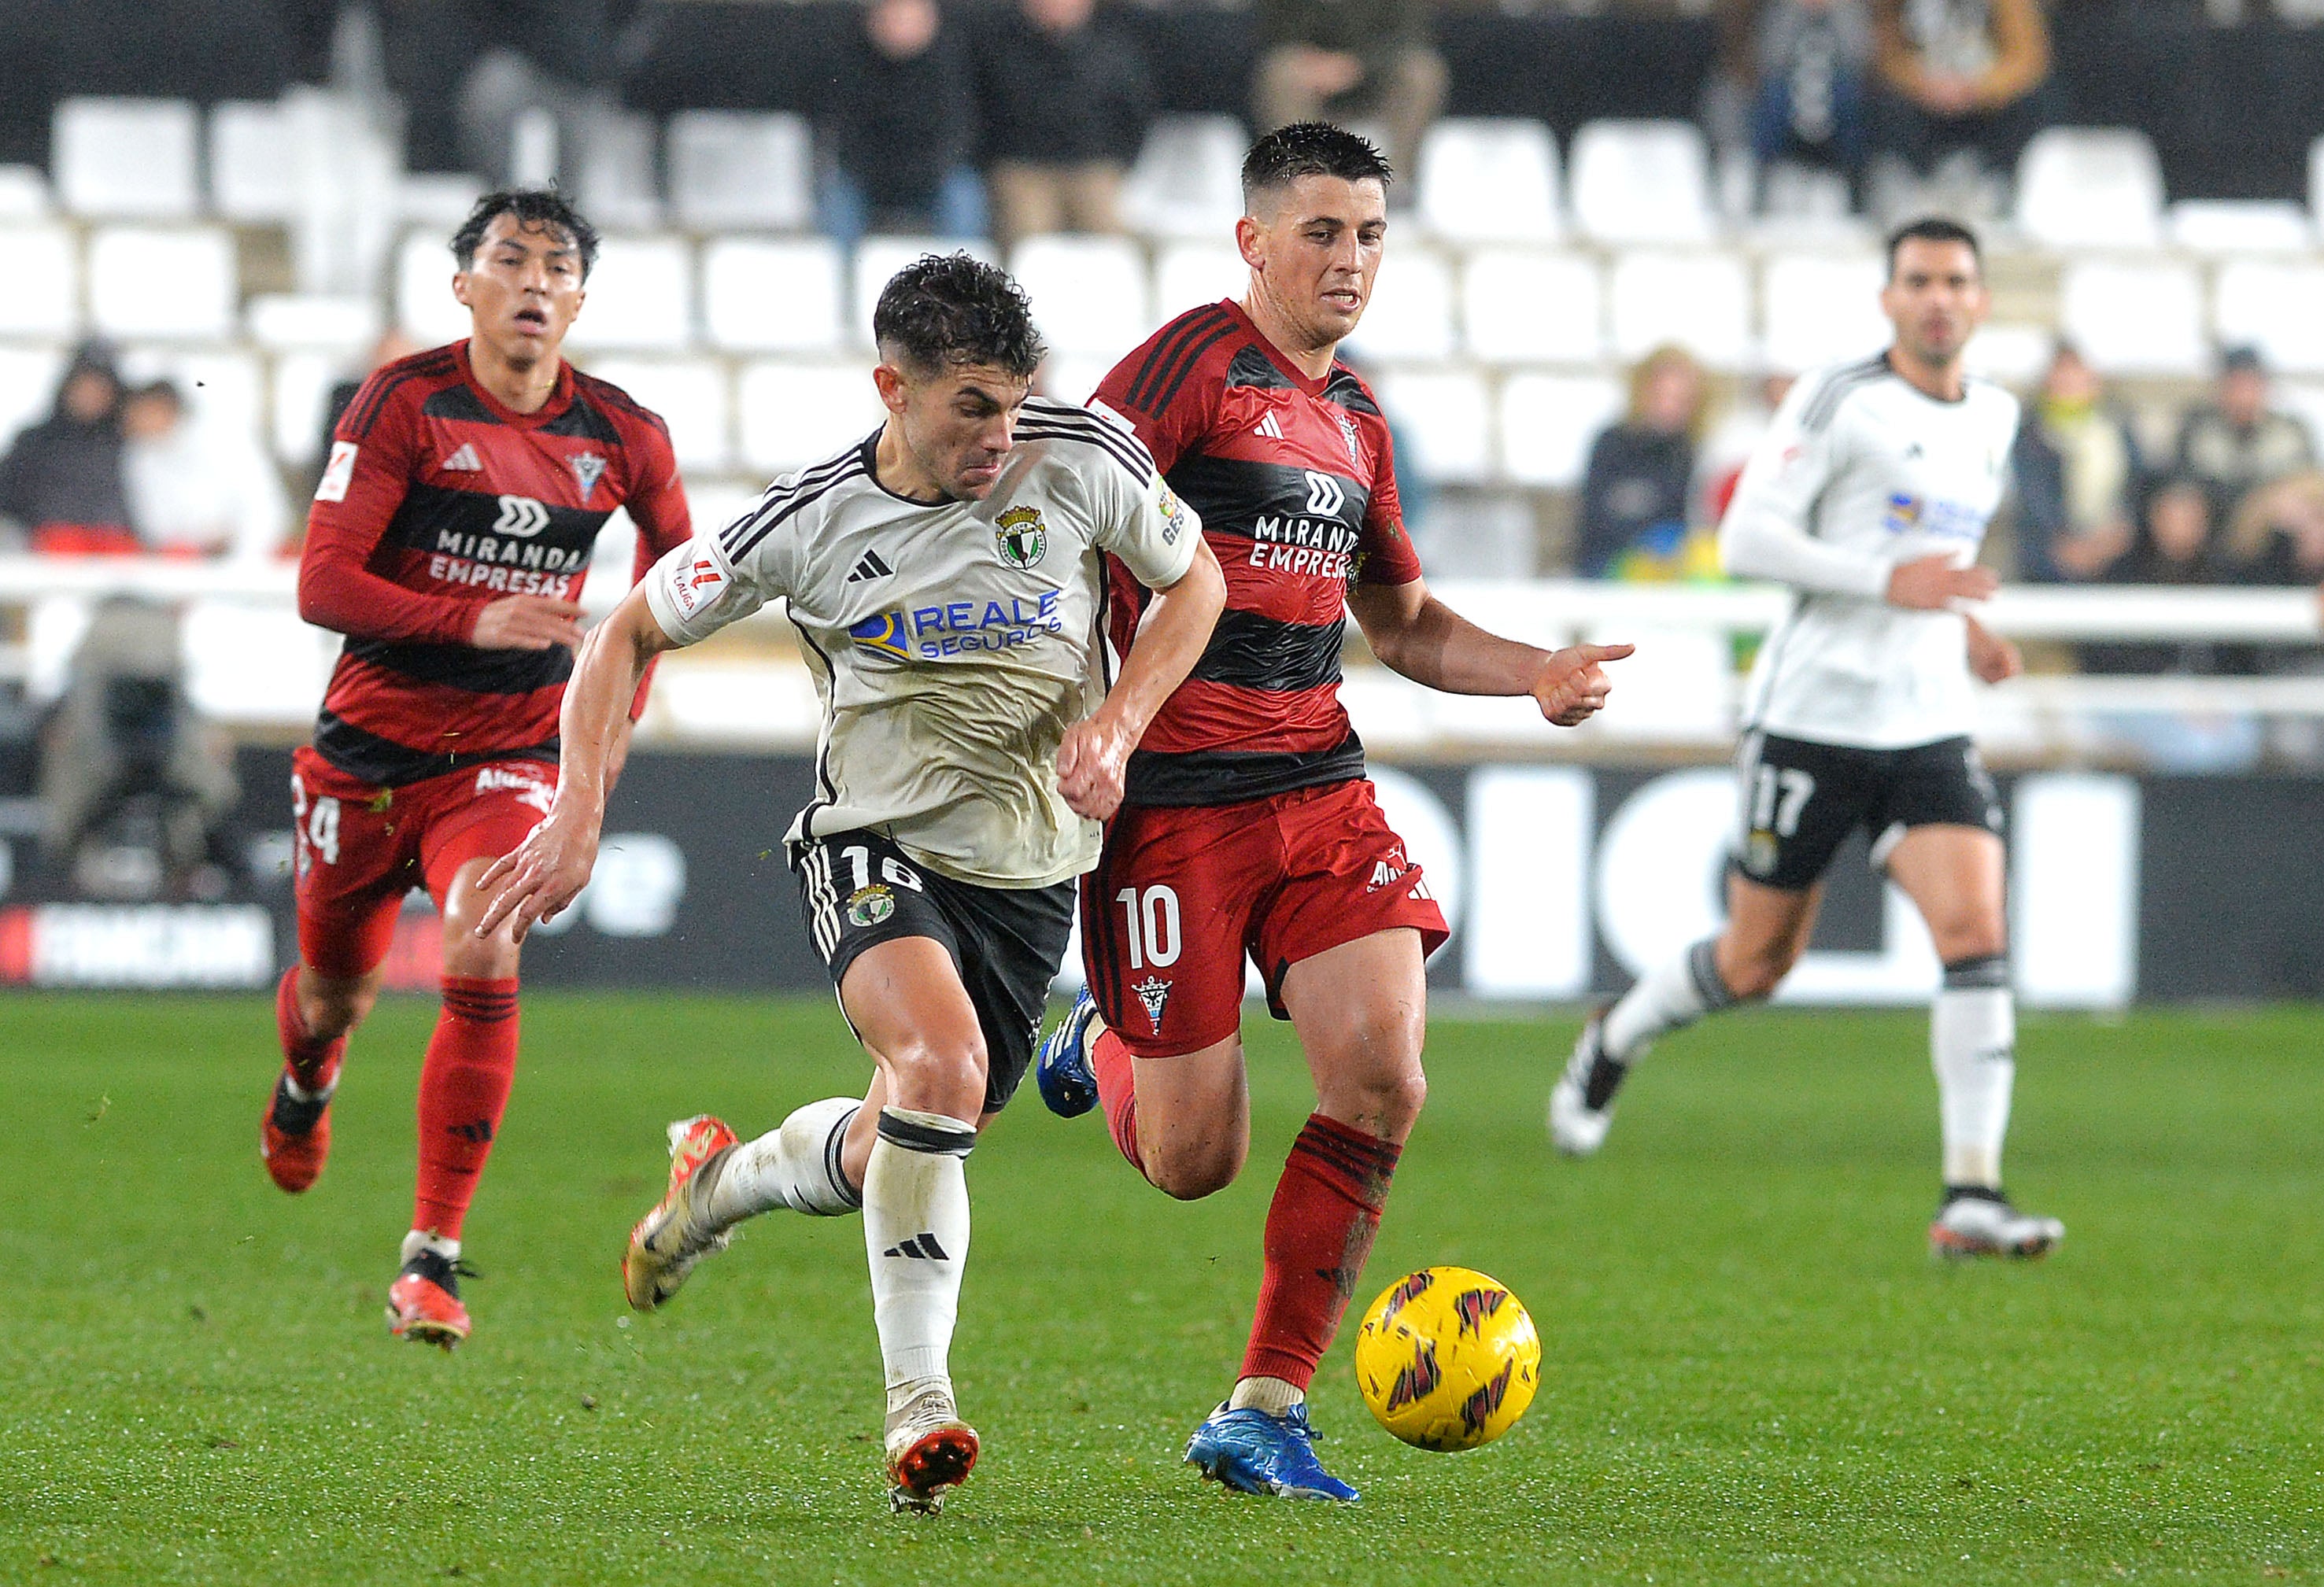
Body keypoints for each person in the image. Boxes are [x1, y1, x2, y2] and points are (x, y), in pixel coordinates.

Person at [474, 253, 1225, 1513]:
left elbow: (1194, 582)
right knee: (940, 1073)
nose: (1002, 433)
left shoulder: (1084, 456)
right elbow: (627, 635)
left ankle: (713, 1188)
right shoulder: (808, 520)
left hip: (1030, 872)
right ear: (893, 387)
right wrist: (576, 816)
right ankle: (919, 1408)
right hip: (872, 840)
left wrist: (1123, 722)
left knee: (907, 1135)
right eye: (971, 406)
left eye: (1015, 399)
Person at [1032, 124, 1629, 1504]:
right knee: (1194, 1160)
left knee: (1382, 1073)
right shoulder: (1187, 368)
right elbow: (1064, 524)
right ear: (1252, 241)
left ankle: (1263, 1404)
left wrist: (1531, 671)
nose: (1346, 258)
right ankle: (1105, 1034)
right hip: (1170, 801)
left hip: (1316, 781)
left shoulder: (1358, 418)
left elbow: (1403, 623)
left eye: (1366, 233)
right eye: (1319, 231)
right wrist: (1092, 718)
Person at [1550, 217, 2065, 1264]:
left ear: (1979, 301)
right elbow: (1747, 538)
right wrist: (1891, 585)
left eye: (1956, 281)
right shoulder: (1842, 397)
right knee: (1756, 961)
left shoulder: (1996, 416)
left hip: (1927, 721)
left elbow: (1930, 554)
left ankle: (1971, 1190)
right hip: (1813, 718)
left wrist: (1964, 625)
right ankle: (1616, 1037)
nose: (1937, 297)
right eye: (1917, 279)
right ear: (1888, 298)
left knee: (1975, 931)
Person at [261, 188, 693, 1351]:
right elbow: (323, 584)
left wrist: (611, 710)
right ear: (465, 287)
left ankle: (431, 1259)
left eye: (558, 267)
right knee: (333, 992)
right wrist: (470, 619)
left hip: (502, 757)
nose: (534, 283)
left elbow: (680, 578)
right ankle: (308, 1079)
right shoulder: (404, 402)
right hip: (366, 755)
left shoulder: (623, 434)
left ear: (580, 300)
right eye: (510, 261)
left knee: (486, 936)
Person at [973, 0, 1153, 250]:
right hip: (1023, 166)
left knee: (1113, 240)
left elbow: (1134, 111)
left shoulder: (1112, 48)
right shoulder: (999, 45)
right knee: (1028, 237)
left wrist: (1121, 161)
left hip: (1092, 164)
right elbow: (982, 109)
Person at [818, 0, 986, 249]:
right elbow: (846, 136)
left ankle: (960, 281)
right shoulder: (851, 66)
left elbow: (958, 134)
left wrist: (925, 172)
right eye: (894, 18)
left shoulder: (950, 66)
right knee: (837, 200)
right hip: (868, 178)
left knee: (964, 197)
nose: (901, 27)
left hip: (932, 177)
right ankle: (841, 283)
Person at [1254, 0, 1445, 197]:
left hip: (1377, 80)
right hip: (1310, 74)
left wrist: (1357, 66)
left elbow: (1410, 35)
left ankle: (1396, 182)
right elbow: (1273, 32)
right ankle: (1301, 177)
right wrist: (1315, 62)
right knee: (1281, 72)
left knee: (1421, 73)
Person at [1867, 0, 2055, 190]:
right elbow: (1887, 57)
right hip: (1921, 99)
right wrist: (1925, 86)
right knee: (1885, 105)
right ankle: (1905, 191)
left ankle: (2004, 188)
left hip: (1987, 101)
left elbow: (2027, 58)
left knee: (2030, 102)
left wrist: (1977, 89)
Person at [1575, 345, 1714, 581]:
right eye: (1662, 396)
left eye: (1681, 400)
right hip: (1606, 571)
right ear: (1642, 392)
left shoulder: (1690, 451)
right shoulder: (1610, 445)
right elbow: (1595, 522)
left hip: (1672, 573)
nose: (1669, 408)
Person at [2011, 342, 2140, 584]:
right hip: (2049, 565)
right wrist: (2072, 548)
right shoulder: (2029, 436)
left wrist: (2110, 540)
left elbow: (2136, 489)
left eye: (2076, 372)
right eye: (2061, 372)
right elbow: (2033, 502)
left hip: (2116, 563)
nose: (2069, 381)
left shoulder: (2117, 429)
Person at [121, 378, 290, 562]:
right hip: (182, 566)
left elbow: (266, 510)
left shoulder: (223, 439)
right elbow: (154, 528)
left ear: (167, 408)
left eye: (146, 412)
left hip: (250, 559)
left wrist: (239, 559)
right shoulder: (139, 458)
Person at [0, 341, 134, 554]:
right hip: (45, 554)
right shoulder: (35, 443)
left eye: (100, 389)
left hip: (121, 558)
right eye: (84, 387)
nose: (90, 396)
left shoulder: (130, 445)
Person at [2172, 345, 2317, 529]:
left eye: (2251, 384)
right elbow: (2182, 481)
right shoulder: (2197, 431)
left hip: (2278, 534)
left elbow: (2307, 481)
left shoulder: (2291, 433)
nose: (2244, 395)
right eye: (2236, 385)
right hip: (2214, 532)